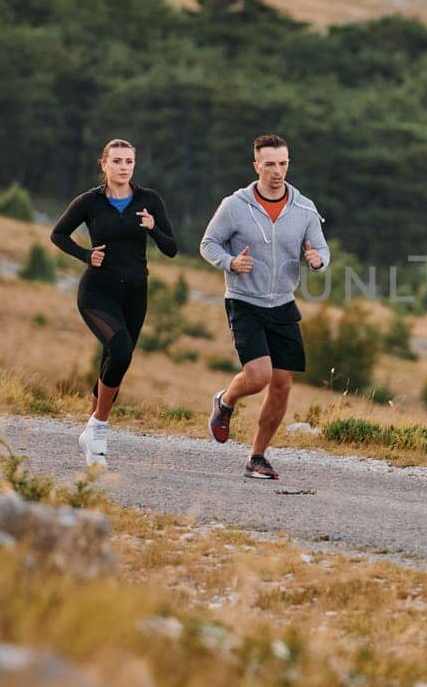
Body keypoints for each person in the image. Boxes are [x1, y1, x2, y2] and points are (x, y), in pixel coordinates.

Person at [200, 133, 329, 480]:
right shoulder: (235, 206)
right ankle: (225, 401)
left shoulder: (304, 209)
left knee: (282, 384)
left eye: (283, 163)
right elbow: (208, 243)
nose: (277, 171)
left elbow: (321, 249)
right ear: (256, 165)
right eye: (270, 164)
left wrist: (317, 261)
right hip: (244, 301)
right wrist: (230, 263)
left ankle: (257, 456)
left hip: (283, 304)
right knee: (259, 377)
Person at [50, 139, 178, 467]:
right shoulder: (90, 202)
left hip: (135, 292)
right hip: (97, 291)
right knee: (120, 350)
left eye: (129, 161)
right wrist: (85, 255)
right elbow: (58, 234)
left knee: (116, 361)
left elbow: (172, 248)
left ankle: (93, 440)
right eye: (117, 161)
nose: (124, 166)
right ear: (104, 165)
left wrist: (153, 229)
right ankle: (98, 429)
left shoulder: (149, 200)